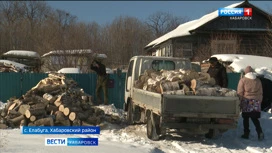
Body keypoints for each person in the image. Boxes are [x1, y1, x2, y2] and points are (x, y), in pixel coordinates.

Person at [237, 66, 264, 141]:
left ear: (245, 72)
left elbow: (240, 92)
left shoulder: (243, 80)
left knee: (246, 118)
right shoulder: (258, 80)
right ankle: (260, 132)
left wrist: (239, 101)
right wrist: (259, 101)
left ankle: (246, 133)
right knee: (255, 118)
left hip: (247, 101)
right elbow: (261, 92)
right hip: (256, 102)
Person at [205, 57, 228, 138]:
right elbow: (207, 75)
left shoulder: (221, 68)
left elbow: (224, 79)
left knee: (215, 107)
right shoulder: (210, 68)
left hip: (218, 88)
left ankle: (212, 128)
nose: (211, 64)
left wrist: (224, 88)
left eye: (212, 63)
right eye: (210, 63)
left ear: (216, 62)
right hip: (210, 87)